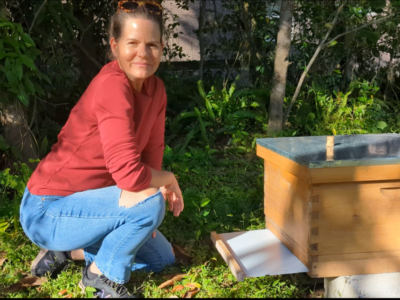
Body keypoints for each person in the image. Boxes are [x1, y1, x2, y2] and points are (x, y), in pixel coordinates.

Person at [19, 0, 184, 298]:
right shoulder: (112, 85)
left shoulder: (156, 89)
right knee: (148, 201)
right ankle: (101, 278)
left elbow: (151, 152)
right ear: (114, 45)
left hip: (93, 205)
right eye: (132, 43)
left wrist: (152, 202)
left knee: (162, 258)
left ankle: (64, 253)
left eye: (152, 45)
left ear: (162, 47)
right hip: (47, 209)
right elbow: (129, 175)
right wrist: (163, 183)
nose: (143, 54)